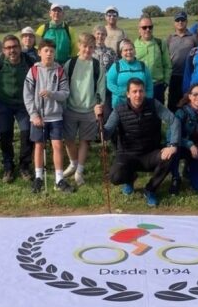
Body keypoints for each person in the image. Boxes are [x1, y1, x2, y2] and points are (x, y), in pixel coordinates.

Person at [103, 78, 180, 207]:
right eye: (134, 91)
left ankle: (150, 190)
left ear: (144, 92)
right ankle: (130, 178)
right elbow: (106, 134)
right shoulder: (118, 110)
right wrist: (98, 121)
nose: (138, 95)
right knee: (115, 177)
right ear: (128, 94)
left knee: (169, 156)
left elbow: (174, 121)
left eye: (141, 91)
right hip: (127, 154)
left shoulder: (154, 104)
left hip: (150, 153)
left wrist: (172, 144)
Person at [0, 35, 35, 183]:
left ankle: (25, 166)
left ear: (20, 47)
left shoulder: (29, 60)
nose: (12, 50)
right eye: (8, 48)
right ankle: (8, 166)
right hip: (4, 103)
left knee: (27, 133)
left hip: (24, 104)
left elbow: (40, 71)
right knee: (5, 135)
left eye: (14, 47)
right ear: (3, 50)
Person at [23, 39, 72, 193]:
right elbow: (27, 95)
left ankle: (59, 179)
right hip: (39, 117)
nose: (49, 54)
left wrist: (52, 94)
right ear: (39, 52)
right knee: (39, 146)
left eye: (51, 51)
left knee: (57, 146)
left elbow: (65, 93)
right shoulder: (34, 71)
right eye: (46, 51)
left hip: (55, 115)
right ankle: (38, 177)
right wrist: (33, 114)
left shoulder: (60, 71)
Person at [62, 33, 105, 187]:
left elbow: (100, 88)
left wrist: (99, 105)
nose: (88, 50)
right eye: (85, 46)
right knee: (68, 139)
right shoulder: (70, 64)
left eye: (91, 47)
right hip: (71, 108)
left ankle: (79, 170)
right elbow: (63, 84)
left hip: (89, 109)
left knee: (85, 141)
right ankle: (73, 164)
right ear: (79, 46)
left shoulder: (97, 65)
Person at [171, 84, 198, 194]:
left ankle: (188, 169)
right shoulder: (181, 112)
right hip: (182, 146)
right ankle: (175, 177)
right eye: (195, 94)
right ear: (189, 96)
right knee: (172, 149)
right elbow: (172, 136)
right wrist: (189, 144)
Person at [106, 39, 153, 108]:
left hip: (140, 103)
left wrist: (148, 98)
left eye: (131, 49)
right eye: (125, 50)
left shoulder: (142, 65)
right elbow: (110, 83)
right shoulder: (116, 66)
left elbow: (149, 84)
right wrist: (125, 93)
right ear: (121, 53)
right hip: (120, 104)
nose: (129, 52)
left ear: (135, 51)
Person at [135, 17, 172, 104]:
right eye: (144, 27)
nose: (147, 29)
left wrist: (165, 83)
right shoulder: (133, 45)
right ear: (139, 29)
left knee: (157, 115)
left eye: (150, 27)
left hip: (157, 86)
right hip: (139, 87)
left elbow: (167, 65)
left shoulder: (160, 43)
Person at [166, 10, 198, 111]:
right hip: (174, 75)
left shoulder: (193, 37)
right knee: (172, 103)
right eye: (178, 20)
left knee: (188, 102)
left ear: (186, 22)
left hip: (189, 75)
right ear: (174, 23)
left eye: (182, 20)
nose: (180, 22)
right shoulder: (170, 38)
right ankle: (173, 125)